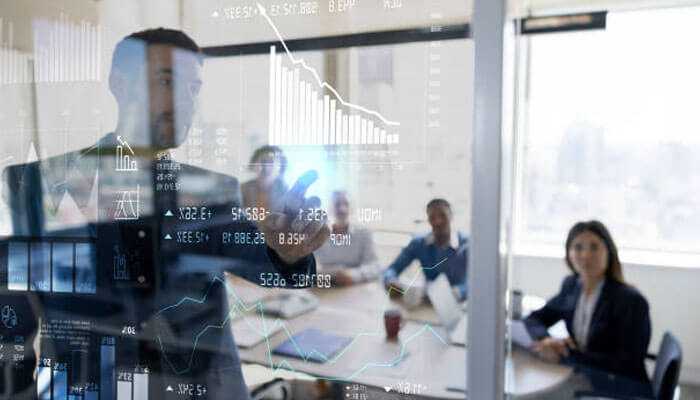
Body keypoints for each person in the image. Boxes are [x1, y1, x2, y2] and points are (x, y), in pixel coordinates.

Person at [2, 28, 329, 400]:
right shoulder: (38, 184)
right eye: (166, 80)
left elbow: (265, 264)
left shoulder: (213, 190)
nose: (184, 99)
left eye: (193, 88)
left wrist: (286, 252)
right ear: (119, 84)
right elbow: (12, 328)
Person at [524, 220, 652, 397]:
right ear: (569, 254)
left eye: (594, 247)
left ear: (609, 252)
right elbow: (534, 318)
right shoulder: (571, 286)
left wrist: (566, 355)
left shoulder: (631, 300)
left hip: (619, 385)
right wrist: (547, 340)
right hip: (584, 373)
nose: (585, 255)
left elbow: (626, 363)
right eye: (578, 247)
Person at [382, 198, 468, 301]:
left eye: (442, 215)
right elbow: (392, 269)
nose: (438, 221)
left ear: (451, 216)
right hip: (426, 303)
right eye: (432, 217)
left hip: (458, 303)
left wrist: (456, 292)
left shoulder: (467, 244)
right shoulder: (419, 243)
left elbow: (476, 283)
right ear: (428, 220)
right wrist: (390, 281)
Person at [314, 191, 381, 286]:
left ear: (351, 208)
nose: (342, 209)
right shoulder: (319, 234)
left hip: (356, 286)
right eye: (337, 204)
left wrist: (354, 275)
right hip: (326, 286)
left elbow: (375, 267)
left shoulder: (364, 233)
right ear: (329, 209)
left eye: (346, 204)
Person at [241, 145, 288, 212]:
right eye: (263, 161)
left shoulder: (285, 191)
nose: (266, 166)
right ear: (253, 164)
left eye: (271, 161)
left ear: (280, 167)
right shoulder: (243, 189)